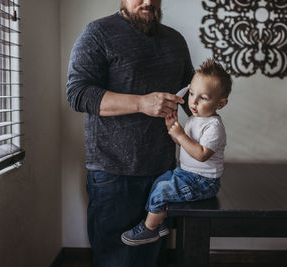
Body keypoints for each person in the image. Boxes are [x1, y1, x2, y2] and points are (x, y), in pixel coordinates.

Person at [66, 0, 194, 266]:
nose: (148, 2)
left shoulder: (175, 40)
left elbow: (191, 93)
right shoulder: (98, 33)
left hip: (164, 174)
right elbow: (77, 94)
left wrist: (211, 100)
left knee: (153, 259)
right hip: (113, 176)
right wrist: (141, 102)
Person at [121, 59, 232, 246]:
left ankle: (148, 229)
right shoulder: (194, 119)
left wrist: (180, 135)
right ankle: (160, 223)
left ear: (220, 103)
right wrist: (172, 129)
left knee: (162, 191)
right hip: (186, 173)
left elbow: (201, 154)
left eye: (203, 98)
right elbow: (184, 145)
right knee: (159, 181)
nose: (193, 102)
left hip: (203, 181)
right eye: (191, 94)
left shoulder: (214, 126)